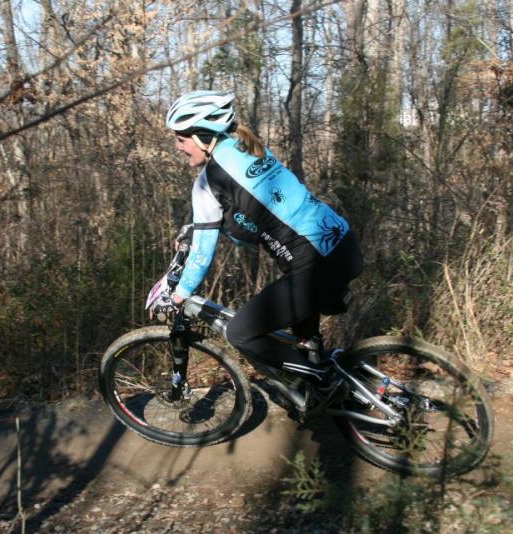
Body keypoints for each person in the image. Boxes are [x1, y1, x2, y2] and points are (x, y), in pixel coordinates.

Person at [154, 90, 363, 392]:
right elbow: (250, 225)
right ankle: (325, 389)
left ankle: (327, 382)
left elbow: (202, 254)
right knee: (302, 339)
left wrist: (177, 295)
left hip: (313, 267)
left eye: (181, 139)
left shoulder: (208, 182)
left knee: (240, 333)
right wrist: (199, 227)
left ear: (201, 136)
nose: (178, 146)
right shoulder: (249, 148)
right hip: (342, 244)